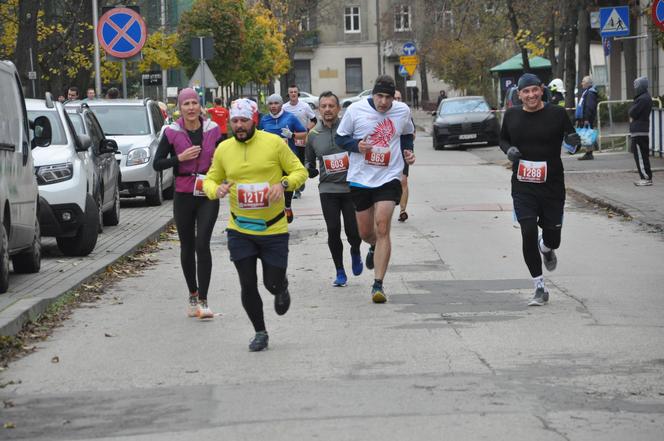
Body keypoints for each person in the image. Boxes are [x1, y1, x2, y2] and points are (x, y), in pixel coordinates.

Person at [203, 98, 307, 352]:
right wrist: (216, 190)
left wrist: (282, 185)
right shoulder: (224, 149)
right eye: (234, 121)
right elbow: (210, 179)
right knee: (247, 283)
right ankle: (260, 331)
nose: (239, 126)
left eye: (243, 121)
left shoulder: (274, 144)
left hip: (273, 229)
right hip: (240, 229)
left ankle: (280, 288)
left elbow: (299, 172)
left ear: (254, 121)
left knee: (271, 283)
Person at [499, 73, 579, 306]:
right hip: (523, 184)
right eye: (526, 91)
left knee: (553, 238)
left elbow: (571, 140)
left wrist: (574, 142)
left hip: (552, 184)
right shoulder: (512, 115)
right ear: (519, 94)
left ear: (542, 90)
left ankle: (546, 247)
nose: (531, 95)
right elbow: (502, 139)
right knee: (527, 231)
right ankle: (539, 286)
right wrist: (509, 150)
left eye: (535, 90)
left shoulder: (556, 114)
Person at [335, 75, 416, 303]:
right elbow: (341, 138)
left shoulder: (401, 111)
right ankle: (372, 246)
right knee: (366, 233)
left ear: (393, 97)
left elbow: (407, 133)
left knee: (382, 227)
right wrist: (356, 146)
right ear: (372, 94)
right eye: (379, 96)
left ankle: (378, 285)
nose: (383, 102)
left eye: (388, 97)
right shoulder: (355, 110)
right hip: (361, 178)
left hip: (389, 176)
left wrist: (407, 151)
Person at [153, 88, 224, 319]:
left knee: (203, 243)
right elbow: (157, 163)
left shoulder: (213, 130)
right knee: (187, 245)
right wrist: (179, 158)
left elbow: (226, 156)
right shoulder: (172, 132)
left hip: (207, 191)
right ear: (179, 108)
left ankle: (203, 300)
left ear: (200, 105)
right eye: (186, 104)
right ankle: (192, 293)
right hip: (183, 193)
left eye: (194, 103)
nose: (191, 108)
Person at [305, 91, 363, 286]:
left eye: (331, 106)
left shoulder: (348, 130)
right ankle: (340, 271)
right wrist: (309, 169)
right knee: (333, 230)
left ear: (338, 109)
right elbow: (309, 161)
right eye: (324, 106)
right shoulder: (312, 135)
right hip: (328, 190)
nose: (327, 110)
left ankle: (355, 250)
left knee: (353, 231)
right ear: (318, 109)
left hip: (350, 188)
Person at [258, 93, 307, 223]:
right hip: (269, 158)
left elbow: (304, 134)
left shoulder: (290, 118)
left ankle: (287, 206)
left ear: (281, 104)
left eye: (276, 103)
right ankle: (273, 210)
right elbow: (257, 137)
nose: (273, 106)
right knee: (271, 184)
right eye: (270, 104)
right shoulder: (264, 119)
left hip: (287, 157)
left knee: (287, 183)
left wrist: (292, 135)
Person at [283, 84, 317, 198]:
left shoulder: (305, 106)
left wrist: (307, 129)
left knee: (301, 162)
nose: (293, 94)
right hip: (289, 139)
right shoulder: (284, 107)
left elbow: (314, 120)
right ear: (288, 94)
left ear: (298, 94)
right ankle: (296, 188)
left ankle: (300, 182)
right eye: (291, 92)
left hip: (302, 137)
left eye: (295, 92)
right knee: (292, 162)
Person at [394, 90, 414, 222]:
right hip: (386, 153)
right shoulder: (382, 114)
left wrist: (409, 151)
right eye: (394, 98)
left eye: (399, 98)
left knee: (403, 180)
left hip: (402, 151)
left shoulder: (405, 113)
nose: (397, 100)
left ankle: (402, 211)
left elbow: (412, 134)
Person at [630, 76, 654, 186]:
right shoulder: (644, 97)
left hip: (639, 131)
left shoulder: (642, 99)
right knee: (642, 155)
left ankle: (646, 177)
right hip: (640, 130)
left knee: (640, 156)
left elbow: (632, 112)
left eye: (636, 86)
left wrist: (631, 112)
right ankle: (645, 176)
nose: (635, 88)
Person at [575, 75, 598, 160]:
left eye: (583, 82)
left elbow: (589, 106)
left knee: (587, 134)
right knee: (587, 134)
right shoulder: (587, 92)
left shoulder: (590, 93)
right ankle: (588, 152)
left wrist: (586, 119)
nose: (581, 83)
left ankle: (589, 153)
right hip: (585, 117)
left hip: (587, 118)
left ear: (588, 83)